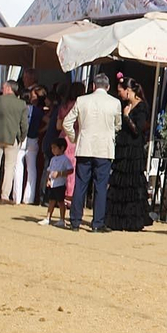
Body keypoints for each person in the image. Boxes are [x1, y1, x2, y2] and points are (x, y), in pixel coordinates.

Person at [64, 73, 121, 232]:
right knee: (101, 187)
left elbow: (67, 122)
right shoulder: (115, 102)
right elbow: (118, 125)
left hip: (85, 147)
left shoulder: (82, 100)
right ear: (108, 87)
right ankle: (97, 223)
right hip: (104, 149)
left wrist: (74, 138)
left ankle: (75, 221)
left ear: (93, 86)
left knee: (81, 184)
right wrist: (111, 134)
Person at [105, 79, 151, 231]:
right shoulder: (126, 105)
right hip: (124, 148)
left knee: (132, 184)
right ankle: (118, 220)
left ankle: (132, 220)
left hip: (133, 150)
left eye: (121, 91)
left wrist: (126, 116)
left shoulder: (142, 107)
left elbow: (138, 129)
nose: (120, 94)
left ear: (128, 90)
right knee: (121, 183)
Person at [14, 84, 46, 205]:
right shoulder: (38, 111)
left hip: (21, 139)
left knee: (18, 167)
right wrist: (40, 130)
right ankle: (29, 198)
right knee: (31, 169)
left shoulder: (19, 109)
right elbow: (48, 121)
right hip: (33, 139)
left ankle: (16, 197)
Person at [38, 137, 72, 227]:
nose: (52, 150)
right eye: (52, 148)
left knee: (61, 202)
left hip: (60, 184)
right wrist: (48, 180)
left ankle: (62, 219)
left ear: (62, 148)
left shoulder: (65, 159)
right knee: (51, 201)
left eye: (55, 148)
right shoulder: (53, 159)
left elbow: (70, 170)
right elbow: (49, 170)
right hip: (52, 184)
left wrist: (60, 173)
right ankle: (48, 217)